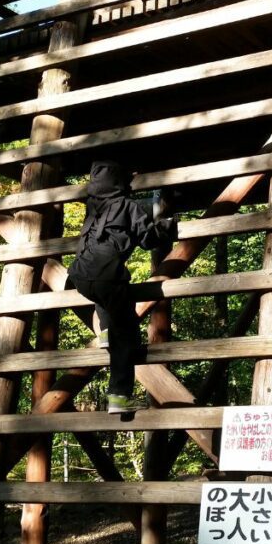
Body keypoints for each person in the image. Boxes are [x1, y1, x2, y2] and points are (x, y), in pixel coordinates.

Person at [68, 159, 177, 413]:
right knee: (126, 338)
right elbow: (149, 240)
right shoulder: (128, 206)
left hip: (79, 276)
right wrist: (169, 226)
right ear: (121, 181)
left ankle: (105, 332)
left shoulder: (94, 205)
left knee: (106, 293)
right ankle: (119, 396)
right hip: (106, 277)